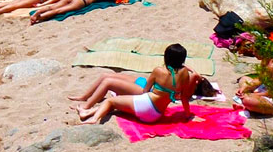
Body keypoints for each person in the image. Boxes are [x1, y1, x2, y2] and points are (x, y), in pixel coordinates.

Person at [71, 43, 201, 125]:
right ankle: (88, 110)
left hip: (146, 105)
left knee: (111, 101)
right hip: (156, 115)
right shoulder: (185, 74)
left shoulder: (158, 71)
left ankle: (92, 117)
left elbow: (145, 91)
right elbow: (184, 98)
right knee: (116, 104)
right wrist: (187, 114)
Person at [29, 0, 124, 24]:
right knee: (58, 11)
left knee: (53, 6)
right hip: (81, 1)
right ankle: (39, 17)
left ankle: (38, 12)